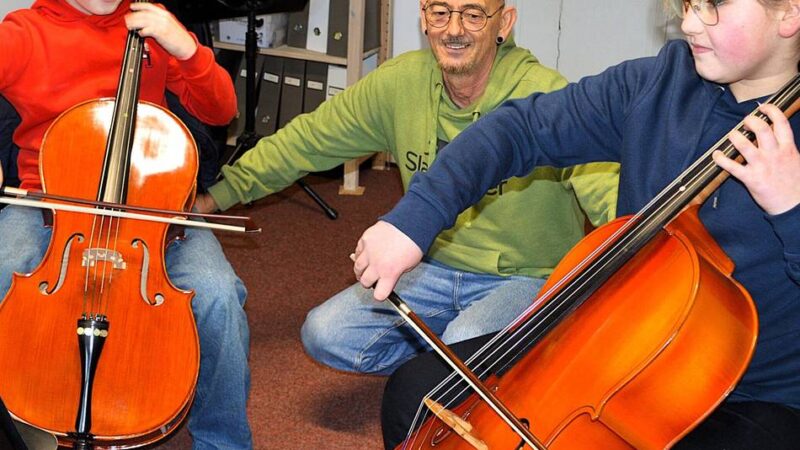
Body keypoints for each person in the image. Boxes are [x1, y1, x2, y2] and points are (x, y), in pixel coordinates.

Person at [356, 0, 800, 448]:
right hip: (609, 334)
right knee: (415, 395)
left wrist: (792, 206)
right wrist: (414, 219)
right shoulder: (660, 82)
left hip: (753, 395)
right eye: (686, 4)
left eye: (712, 5)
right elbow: (520, 129)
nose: (687, 22)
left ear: (790, 13)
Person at [195, 0, 618, 378]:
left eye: (473, 14)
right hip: (429, 264)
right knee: (325, 333)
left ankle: (483, 353)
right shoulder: (400, 83)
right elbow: (306, 142)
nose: (454, 29)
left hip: (525, 277)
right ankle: (462, 364)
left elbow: (608, 190)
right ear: (423, 17)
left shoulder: (546, 94)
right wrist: (218, 195)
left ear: (503, 22)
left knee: (466, 341)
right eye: (440, 11)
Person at [0, 1, 251, 449]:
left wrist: (186, 48)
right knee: (4, 268)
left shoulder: (152, 25)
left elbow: (221, 111)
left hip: (151, 204)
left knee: (218, 294)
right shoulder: (23, 32)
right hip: (49, 202)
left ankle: (224, 440)